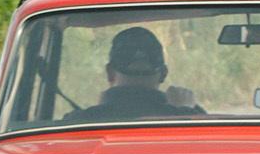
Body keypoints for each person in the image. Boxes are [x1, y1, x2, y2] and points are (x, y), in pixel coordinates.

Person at [63, 27, 204, 124]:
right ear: (163, 74)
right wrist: (184, 112)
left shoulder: (74, 124)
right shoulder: (194, 120)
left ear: (110, 73)